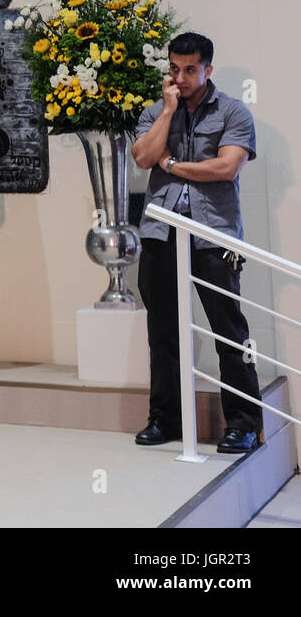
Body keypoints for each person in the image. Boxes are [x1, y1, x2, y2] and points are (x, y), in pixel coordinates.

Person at [131, 32, 262, 453]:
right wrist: (169, 111)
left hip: (213, 233)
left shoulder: (233, 112)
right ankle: (165, 419)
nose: (181, 77)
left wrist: (172, 164)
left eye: (190, 69)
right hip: (160, 233)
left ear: (208, 69)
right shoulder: (156, 111)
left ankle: (243, 424)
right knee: (163, 330)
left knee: (228, 330)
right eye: (174, 69)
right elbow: (142, 158)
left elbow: (225, 168)